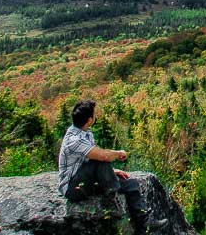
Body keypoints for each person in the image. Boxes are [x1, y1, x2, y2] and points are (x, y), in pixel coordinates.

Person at [58, 99, 168, 233]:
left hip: (87, 180)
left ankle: (145, 223)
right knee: (100, 159)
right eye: (94, 114)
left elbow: (92, 159)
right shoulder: (74, 140)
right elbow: (101, 156)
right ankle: (112, 194)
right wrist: (118, 153)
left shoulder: (85, 133)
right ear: (89, 120)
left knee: (132, 183)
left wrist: (112, 171)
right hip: (73, 188)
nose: (96, 116)